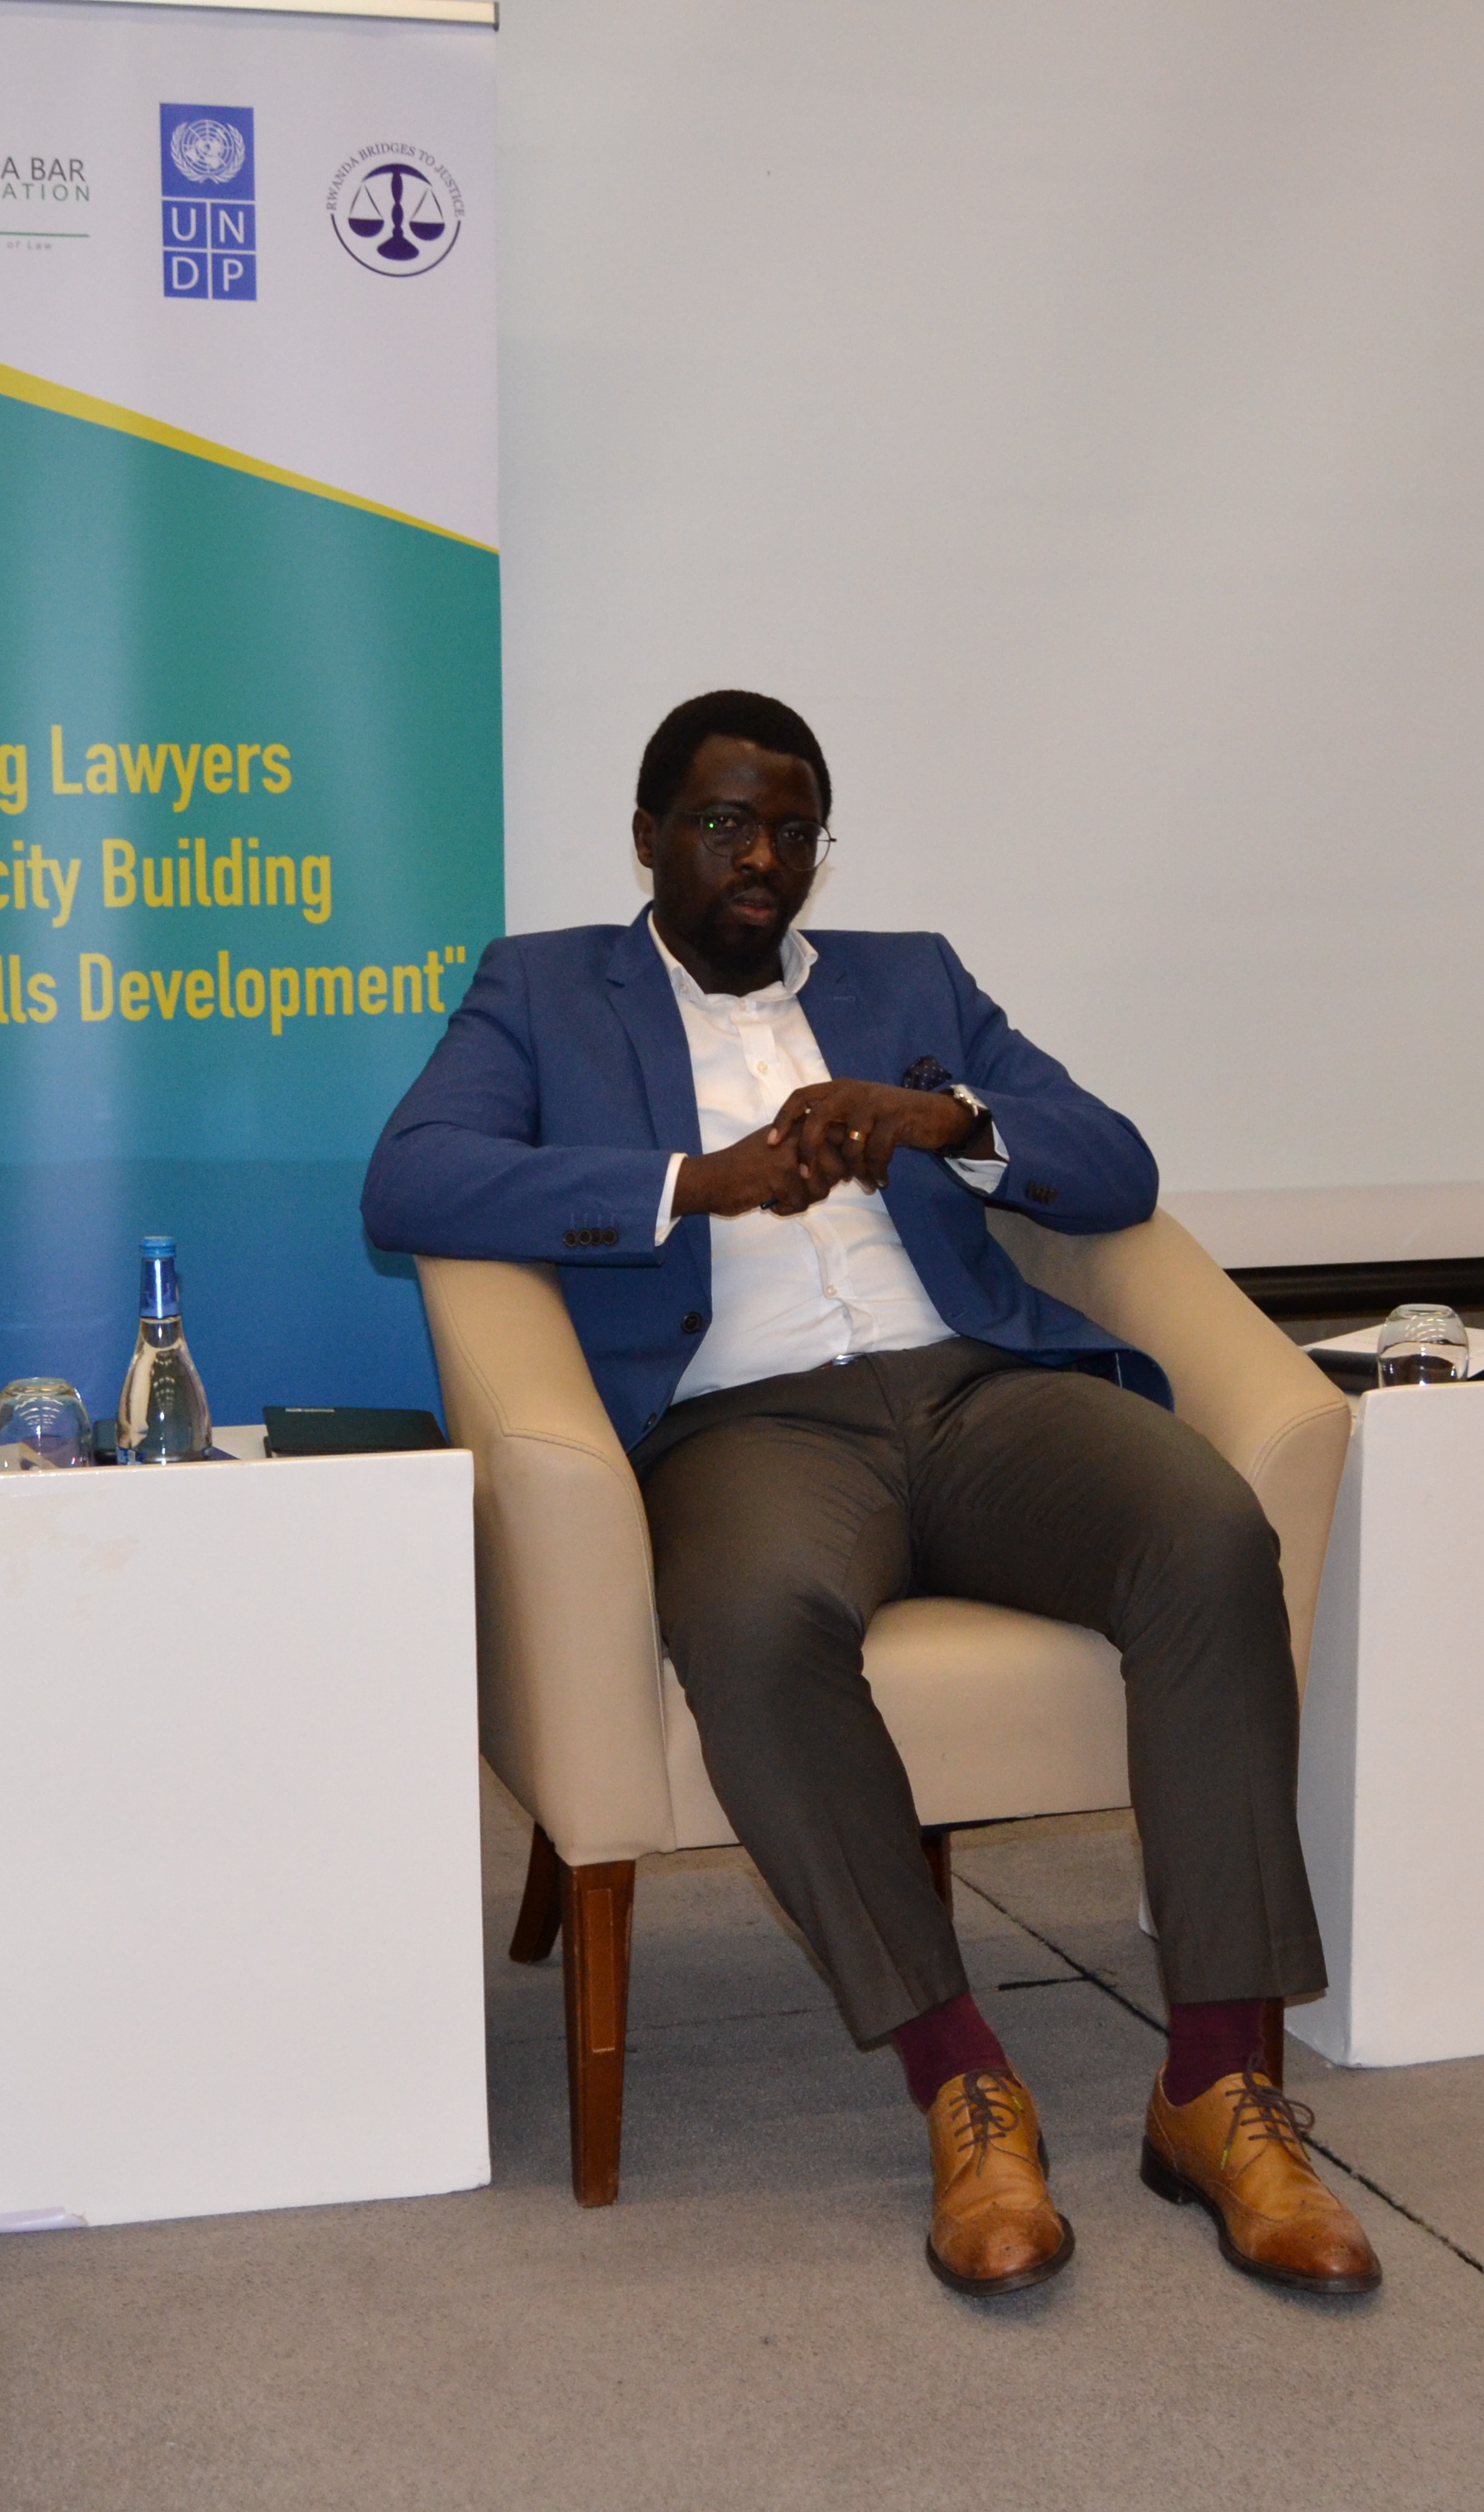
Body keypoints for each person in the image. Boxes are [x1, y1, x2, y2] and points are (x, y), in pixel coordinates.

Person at [364, 691, 1373, 2300]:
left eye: (792, 829)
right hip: (746, 1426)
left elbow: (1114, 1164)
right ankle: (962, 2082)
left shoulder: (912, 980)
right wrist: (696, 1183)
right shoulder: (544, 990)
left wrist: (948, 1123)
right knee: (756, 1621)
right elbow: (411, 1177)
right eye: (723, 824)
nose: (761, 858)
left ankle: (1217, 2083)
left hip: (978, 1392)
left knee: (1204, 1530)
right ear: (648, 838)